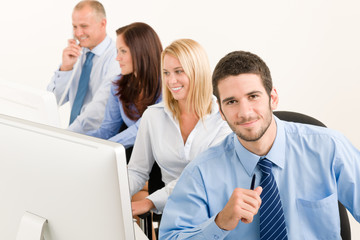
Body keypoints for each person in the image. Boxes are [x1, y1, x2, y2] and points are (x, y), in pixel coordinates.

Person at [159, 51, 360, 239]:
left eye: (253, 96)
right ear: (220, 111)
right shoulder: (201, 172)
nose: (245, 112)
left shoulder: (329, 149)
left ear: (273, 98)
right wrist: (220, 223)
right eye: (231, 102)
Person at [127, 39, 232, 216]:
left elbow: (200, 177)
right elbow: (137, 171)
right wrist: (113, 194)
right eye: (166, 73)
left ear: (197, 72)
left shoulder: (223, 118)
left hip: (214, 212)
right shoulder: (153, 116)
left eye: (178, 71)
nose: (171, 80)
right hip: (172, 214)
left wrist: (150, 201)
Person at [85, 22, 162, 150]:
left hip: (160, 159)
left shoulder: (167, 85)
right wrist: (78, 141)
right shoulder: (118, 84)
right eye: (117, 51)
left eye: (123, 51)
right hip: (133, 154)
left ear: (141, 52)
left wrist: (105, 148)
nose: (117, 58)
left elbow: (141, 130)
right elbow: (107, 131)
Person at [47, 0, 120, 133]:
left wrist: (69, 134)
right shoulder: (76, 54)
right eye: (74, 27)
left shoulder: (117, 57)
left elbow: (99, 110)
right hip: (74, 134)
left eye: (84, 26)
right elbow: (52, 101)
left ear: (102, 24)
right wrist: (66, 68)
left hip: (97, 138)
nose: (78, 33)